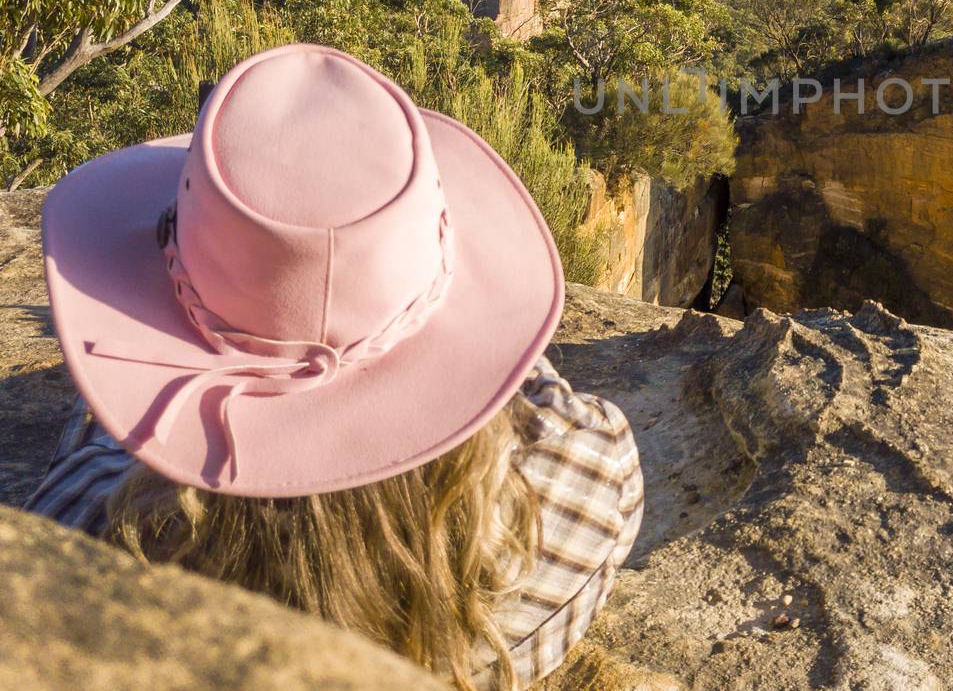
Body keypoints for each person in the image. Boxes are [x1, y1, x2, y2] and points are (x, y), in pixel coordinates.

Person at [24, 43, 643, 690]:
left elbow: (109, 419)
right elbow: (538, 391)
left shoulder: (83, 531)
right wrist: (430, 296)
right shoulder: (588, 489)